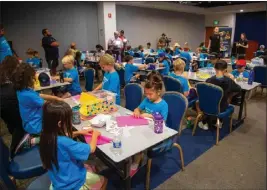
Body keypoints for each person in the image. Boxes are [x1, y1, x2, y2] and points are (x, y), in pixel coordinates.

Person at [39, 101, 107, 190]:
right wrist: (95, 135)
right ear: (60, 124)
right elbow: (91, 149)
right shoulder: (65, 142)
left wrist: (79, 132)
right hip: (72, 184)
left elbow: (64, 136)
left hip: (58, 179)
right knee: (104, 180)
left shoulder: (46, 135)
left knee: (89, 167)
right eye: (68, 120)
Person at [132, 72, 168, 176]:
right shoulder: (147, 100)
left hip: (156, 131)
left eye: (150, 94)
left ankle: (136, 162)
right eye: (146, 94)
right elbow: (138, 108)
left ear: (158, 92)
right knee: (133, 136)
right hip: (144, 128)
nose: (147, 96)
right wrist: (137, 111)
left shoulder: (163, 105)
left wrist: (149, 115)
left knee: (139, 142)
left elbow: (163, 120)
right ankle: (135, 157)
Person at [14, 63, 62, 135]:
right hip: (35, 126)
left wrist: (56, 98)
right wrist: (61, 104)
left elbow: (39, 95)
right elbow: (48, 105)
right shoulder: (28, 95)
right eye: (34, 78)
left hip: (30, 122)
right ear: (30, 79)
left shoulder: (22, 90)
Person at [198, 60, 241, 130]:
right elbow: (238, 89)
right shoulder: (229, 81)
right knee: (223, 100)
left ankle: (206, 122)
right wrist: (232, 79)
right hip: (221, 108)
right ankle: (219, 122)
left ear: (214, 69)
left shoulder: (209, 80)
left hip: (206, 106)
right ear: (225, 70)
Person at [0, 56, 25, 157]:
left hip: (3, 105)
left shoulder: (2, 73)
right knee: (19, 126)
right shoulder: (12, 75)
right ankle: (14, 151)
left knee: (12, 126)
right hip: (9, 101)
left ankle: (16, 147)